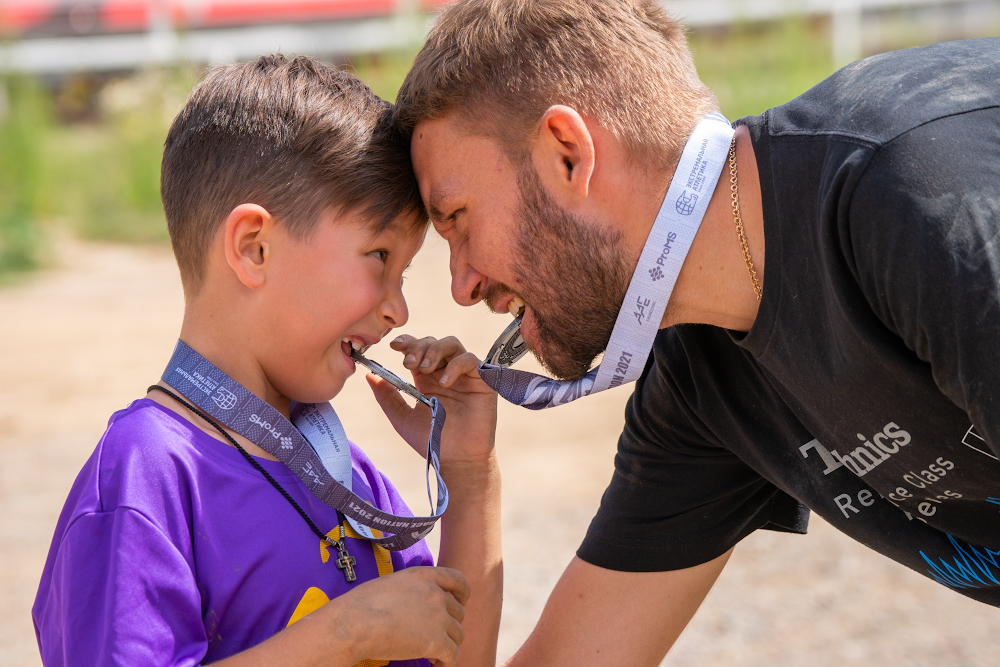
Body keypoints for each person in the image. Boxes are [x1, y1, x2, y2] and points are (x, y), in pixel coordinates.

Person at [393, 0, 1000, 663]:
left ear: (568, 155)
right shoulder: (700, 382)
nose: (460, 285)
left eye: (456, 218)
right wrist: (467, 476)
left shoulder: (909, 192)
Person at [32, 55, 502, 667]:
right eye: (380, 257)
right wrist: (344, 637)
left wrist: (470, 475)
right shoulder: (145, 477)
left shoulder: (346, 476)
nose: (400, 311)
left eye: (405, 271)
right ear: (254, 249)